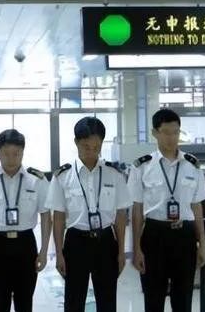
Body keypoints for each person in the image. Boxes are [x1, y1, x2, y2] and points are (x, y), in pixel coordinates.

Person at [128, 108, 205, 312]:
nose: (172, 137)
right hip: (154, 235)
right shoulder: (141, 167)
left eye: (175, 132)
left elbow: (197, 206)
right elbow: (137, 210)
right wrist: (136, 248)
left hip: (185, 236)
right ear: (155, 133)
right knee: (153, 299)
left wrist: (202, 243)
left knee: (183, 299)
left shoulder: (192, 165)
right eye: (166, 132)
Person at [46, 117, 130, 312]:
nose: (92, 152)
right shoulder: (63, 176)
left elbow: (120, 216)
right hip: (76, 242)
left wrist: (121, 252)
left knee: (107, 301)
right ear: (76, 142)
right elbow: (58, 218)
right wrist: (59, 253)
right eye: (86, 147)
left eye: (96, 147)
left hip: (106, 241)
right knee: (74, 301)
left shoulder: (114, 174)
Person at [0, 129, 51, 312]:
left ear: (23, 152)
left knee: (25, 302)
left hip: (25, 245)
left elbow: (46, 215)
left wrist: (44, 251)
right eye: (6, 154)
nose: (11, 159)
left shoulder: (36, 180)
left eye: (16, 153)